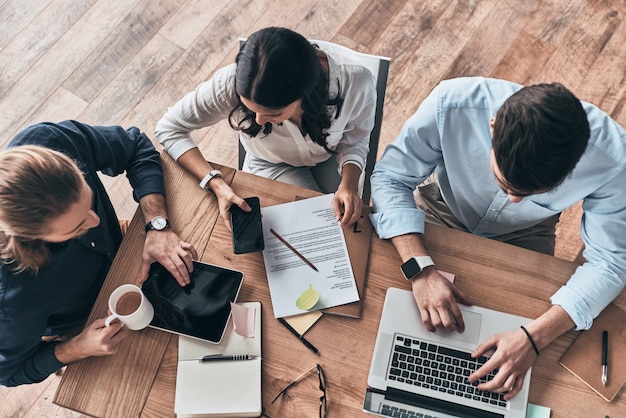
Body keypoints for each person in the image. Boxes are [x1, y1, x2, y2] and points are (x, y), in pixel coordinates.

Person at [369, 77, 626, 400]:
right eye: (505, 185)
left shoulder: (613, 160)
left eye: (531, 194)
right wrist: (419, 268)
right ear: (493, 127)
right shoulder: (450, 103)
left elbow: (611, 262)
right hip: (441, 208)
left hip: (528, 234)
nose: (515, 201)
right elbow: (390, 178)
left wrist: (533, 339)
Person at [0, 120, 198, 387]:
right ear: (33, 238)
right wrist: (76, 348)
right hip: (88, 321)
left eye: (89, 200)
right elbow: (9, 373)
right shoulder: (12, 300)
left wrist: (157, 224)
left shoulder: (50, 140)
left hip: (129, 250)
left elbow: (136, 147)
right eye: (77, 226)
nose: (96, 222)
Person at [155, 26, 376, 229]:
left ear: (305, 95)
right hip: (268, 163)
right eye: (251, 109)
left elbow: (356, 140)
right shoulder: (229, 83)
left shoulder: (357, 84)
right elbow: (169, 128)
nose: (259, 121)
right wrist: (214, 181)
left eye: (273, 114)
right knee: (301, 233)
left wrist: (349, 184)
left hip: (331, 159)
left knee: (339, 233)